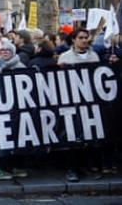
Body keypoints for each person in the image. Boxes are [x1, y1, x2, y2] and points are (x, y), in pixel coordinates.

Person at [57, 28, 100, 182]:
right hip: (72, 105)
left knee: (89, 139)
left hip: (90, 104)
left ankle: (86, 167)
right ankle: (72, 169)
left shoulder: (94, 56)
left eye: (86, 38)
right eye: (80, 37)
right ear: (73, 40)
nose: (84, 40)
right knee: (73, 138)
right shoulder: (65, 57)